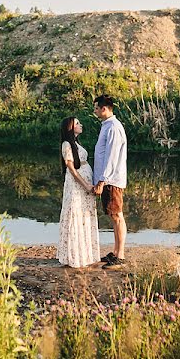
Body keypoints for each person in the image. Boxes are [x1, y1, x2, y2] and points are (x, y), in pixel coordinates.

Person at [55, 116, 100, 268]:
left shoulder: (75, 143)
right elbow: (72, 170)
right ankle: (74, 255)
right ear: (70, 127)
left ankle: (86, 254)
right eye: (77, 123)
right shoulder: (67, 144)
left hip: (84, 184)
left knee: (84, 215)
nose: (81, 125)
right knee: (75, 215)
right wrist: (86, 185)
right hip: (77, 185)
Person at [92, 94, 128, 268]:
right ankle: (115, 252)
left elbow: (111, 157)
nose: (95, 111)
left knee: (117, 216)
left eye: (96, 108)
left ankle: (120, 256)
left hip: (111, 180)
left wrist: (102, 180)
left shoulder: (113, 127)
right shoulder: (107, 125)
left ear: (104, 109)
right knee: (114, 216)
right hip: (108, 180)